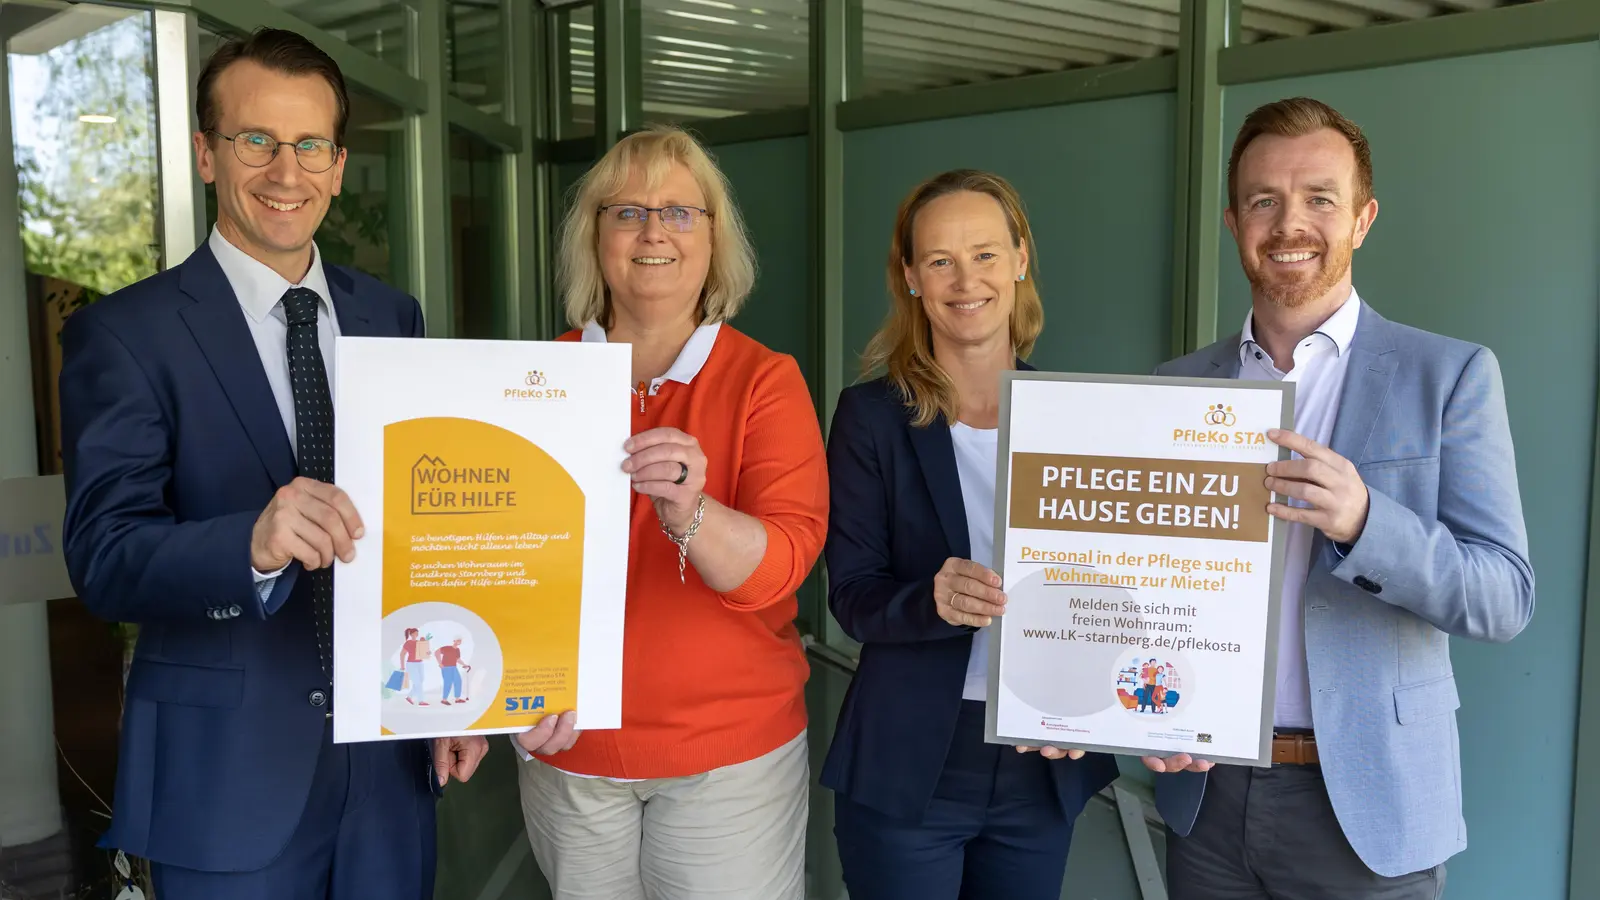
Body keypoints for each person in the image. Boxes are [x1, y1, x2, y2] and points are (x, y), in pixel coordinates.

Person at [53, 28, 574, 899]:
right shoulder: (125, 334)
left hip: (386, 774)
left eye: (309, 146)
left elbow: (428, 526)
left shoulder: (392, 317)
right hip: (225, 784)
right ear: (207, 154)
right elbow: (104, 559)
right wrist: (247, 545)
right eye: (255, 140)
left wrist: (460, 700)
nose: (284, 172)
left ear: (337, 164)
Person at [1144, 97, 1534, 897]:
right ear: (1233, 221)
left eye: (1320, 198)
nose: (1291, 224)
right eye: (1265, 201)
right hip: (1207, 796)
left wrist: (1365, 523)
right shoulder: (1175, 388)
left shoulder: (1449, 376)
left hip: (1370, 807)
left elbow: (1504, 596)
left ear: (1362, 219)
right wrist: (1140, 712)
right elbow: (1150, 587)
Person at [512, 124, 829, 900]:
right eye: (625, 212)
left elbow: (784, 563)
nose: (653, 231)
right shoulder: (534, 378)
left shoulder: (764, 380)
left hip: (727, 762)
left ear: (714, 238)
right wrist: (501, 691)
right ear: (596, 236)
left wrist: (691, 510)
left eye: (680, 212)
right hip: (571, 749)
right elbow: (499, 558)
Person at [819, 169, 1120, 899]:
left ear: (1020, 259)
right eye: (939, 260)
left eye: (985, 254)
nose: (965, 280)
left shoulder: (1080, 418)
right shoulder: (871, 417)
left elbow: (1112, 591)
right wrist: (931, 600)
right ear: (910, 277)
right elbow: (851, 595)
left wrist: (1100, 696)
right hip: (912, 757)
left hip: (1040, 758)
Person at [436, 637, 470, 704]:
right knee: (448, 683)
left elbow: (457, 659)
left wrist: (464, 664)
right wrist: (440, 663)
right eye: (458, 640)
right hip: (446, 668)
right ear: (454, 640)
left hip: (454, 667)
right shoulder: (447, 648)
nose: (459, 642)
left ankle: (457, 699)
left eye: (460, 641)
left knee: (458, 681)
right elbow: (436, 653)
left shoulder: (457, 650)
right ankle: (444, 700)